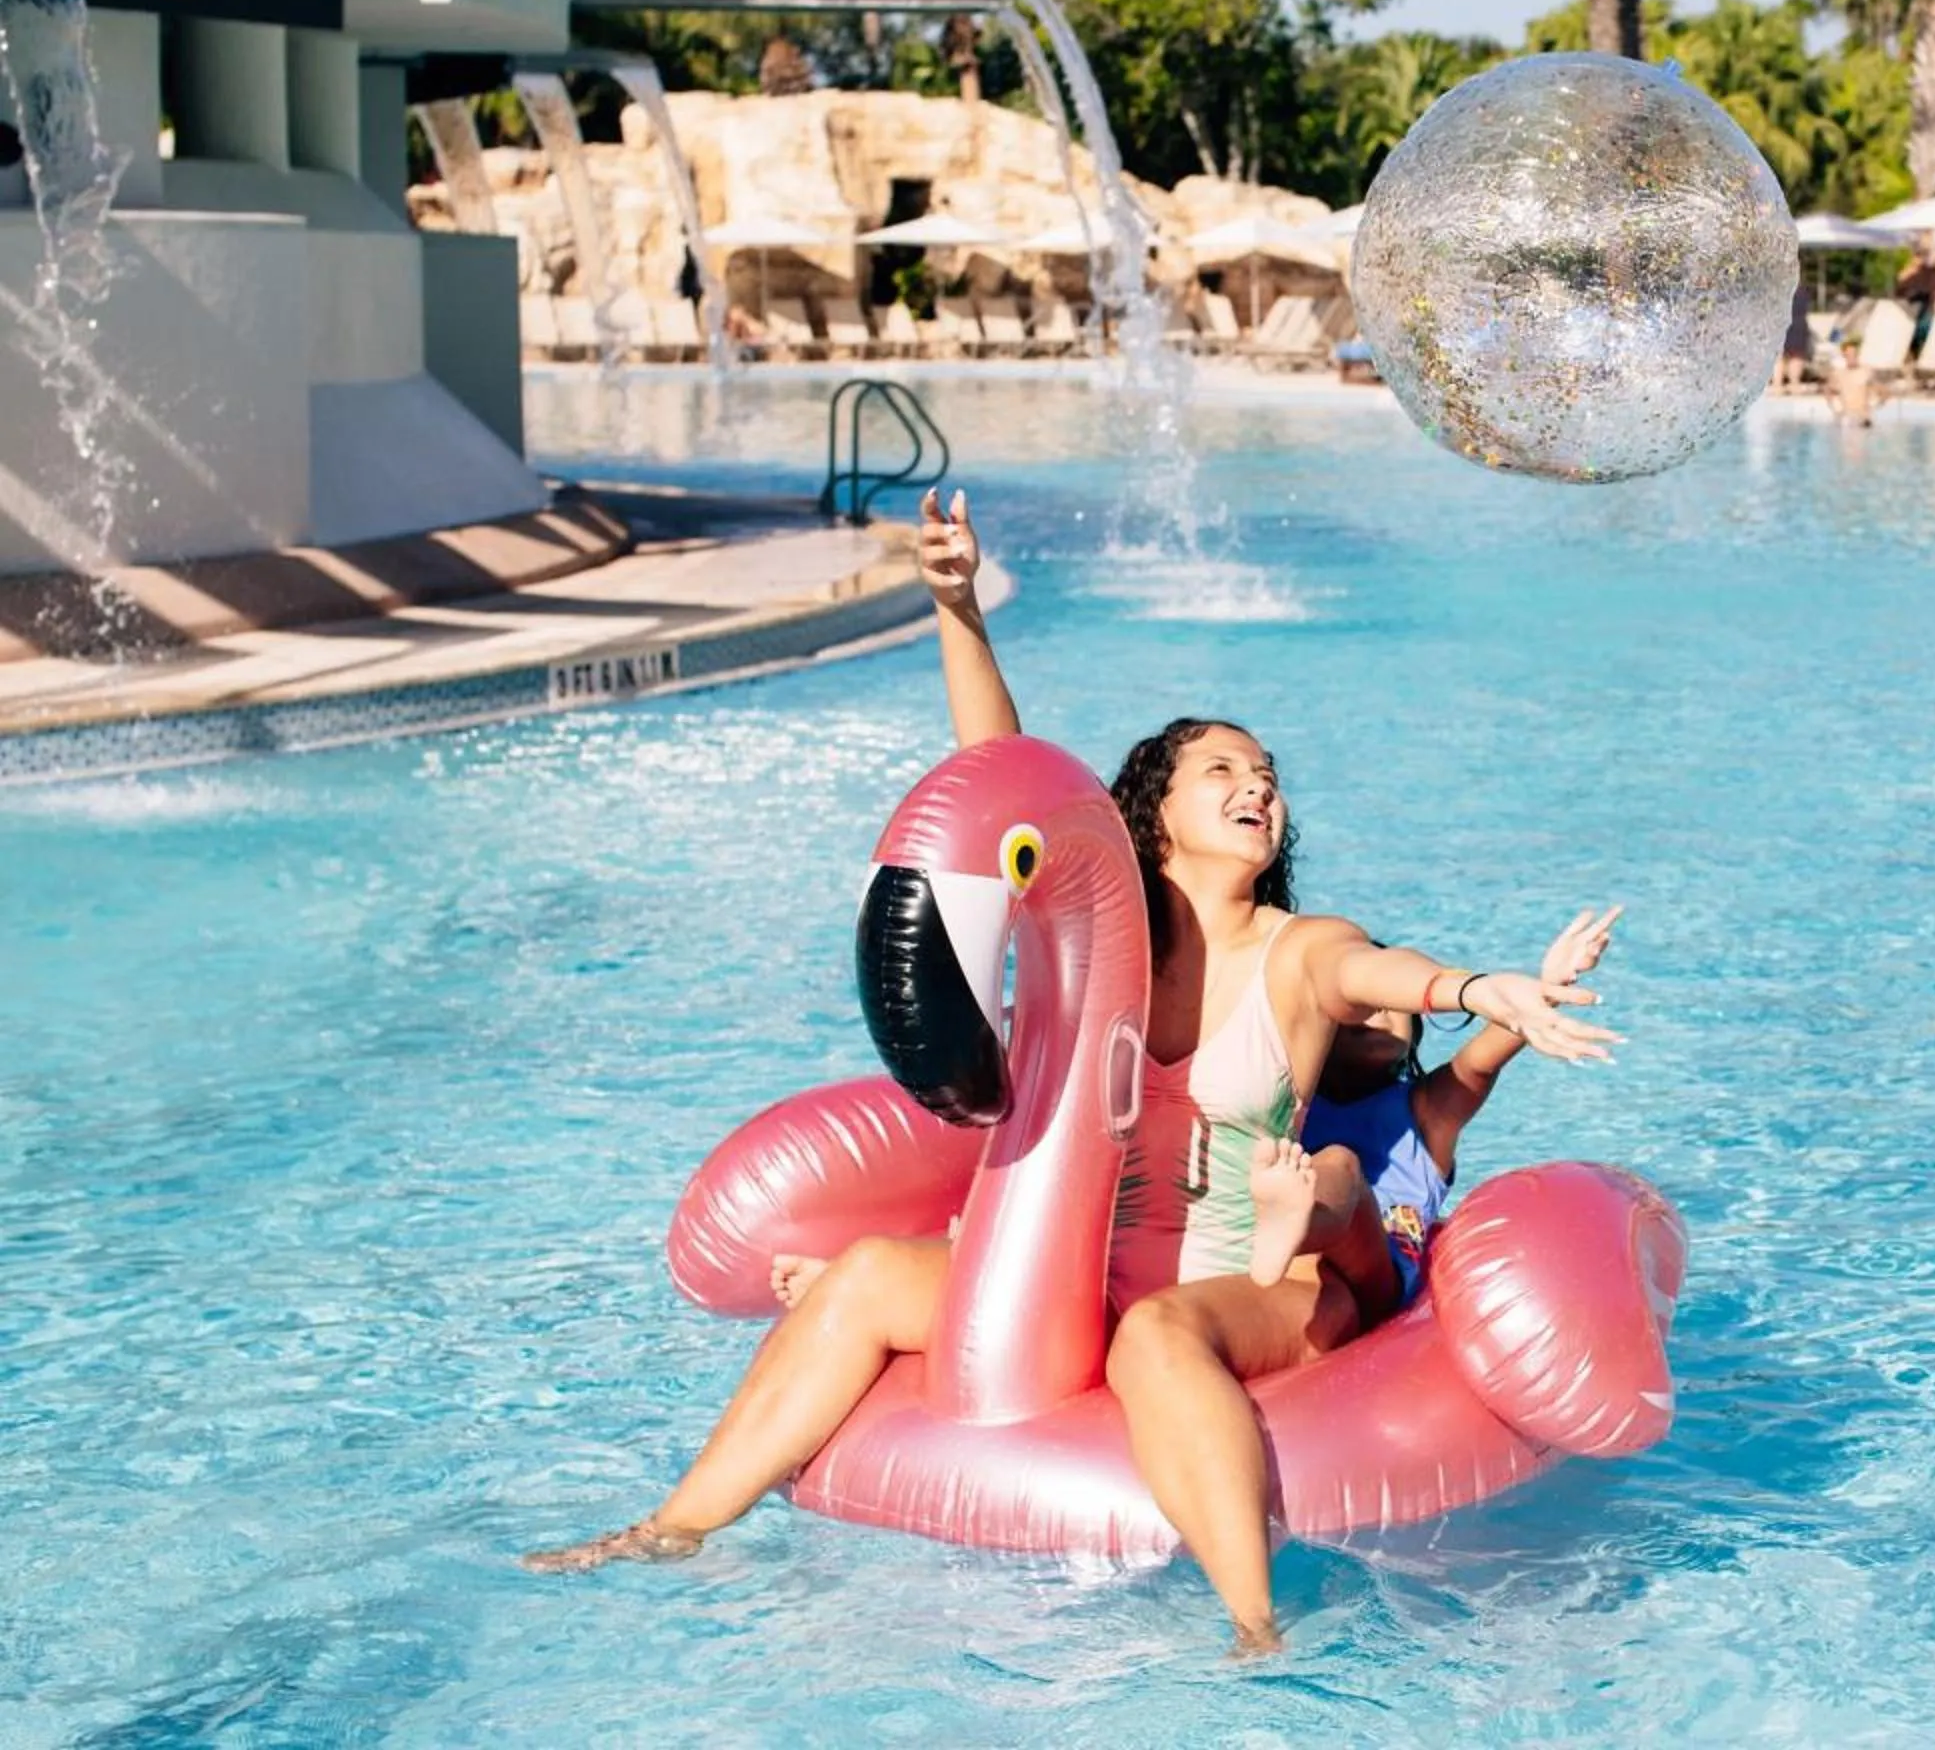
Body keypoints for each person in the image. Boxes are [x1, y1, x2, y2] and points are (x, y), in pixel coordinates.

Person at [524, 489, 1619, 1656]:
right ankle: (676, 1525)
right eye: (1222, 771)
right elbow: (1002, 777)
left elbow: (1375, 968)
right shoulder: (1108, 951)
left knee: (1156, 1335)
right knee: (861, 1279)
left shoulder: (1296, 951)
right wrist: (956, 605)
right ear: (1153, 820)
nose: (1258, 787)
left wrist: (1477, 989)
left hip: (1252, 1296)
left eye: (1267, 775)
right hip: (1092, 1280)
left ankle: (1256, 1633)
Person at [1254, 905, 1622, 1306]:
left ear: (1414, 1031)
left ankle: (1298, 1219)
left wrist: (1548, 985)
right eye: (1363, 1005)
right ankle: (1288, 1226)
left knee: (1340, 1164)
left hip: (1376, 1282)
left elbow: (1480, 1061)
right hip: (1300, 1274)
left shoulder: (1426, 1112)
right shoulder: (1288, 1102)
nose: (1379, 1010)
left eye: (1391, 1005)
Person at [1822, 338, 1880, 426]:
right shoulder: (1838, 373)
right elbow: (1827, 389)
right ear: (1844, 356)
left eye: (1854, 355)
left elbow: (1881, 391)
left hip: (1863, 416)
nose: (1852, 358)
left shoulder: (1866, 371)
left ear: (1858, 355)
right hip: (1847, 415)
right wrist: (1835, 408)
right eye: (1849, 355)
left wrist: (1872, 406)